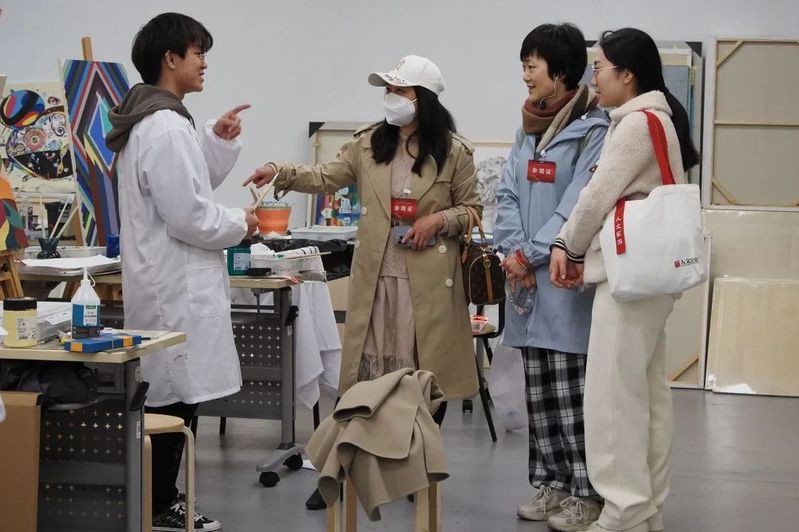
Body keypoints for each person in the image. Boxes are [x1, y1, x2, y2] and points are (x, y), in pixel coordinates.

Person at [244, 54, 481, 507]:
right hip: (375, 281)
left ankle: (411, 472)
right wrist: (280, 171)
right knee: (360, 383)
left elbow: (471, 210)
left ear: (423, 98)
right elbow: (324, 176)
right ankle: (339, 473)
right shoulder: (369, 143)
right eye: (388, 90)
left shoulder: (454, 152)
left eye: (400, 90)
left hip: (428, 286)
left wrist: (438, 221)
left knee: (421, 381)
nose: (391, 98)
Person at [106, 12, 258, 531]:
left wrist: (216, 139)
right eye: (198, 53)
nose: (204, 63)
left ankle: (159, 499)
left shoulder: (155, 120)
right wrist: (242, 222)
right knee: (174, 397)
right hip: (174, 286)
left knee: (173, 394)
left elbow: (188, 185)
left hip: (164, 281)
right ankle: (160, 505)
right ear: (170, 59)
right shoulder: (165, 126)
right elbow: (189, 215)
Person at [549, 28, 700, 532]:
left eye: (600, 68)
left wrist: (567, 246)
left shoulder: (635, 123)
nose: (594, 77)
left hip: (628, 279)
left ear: (627, 74)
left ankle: (623, 511)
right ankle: (645, 508)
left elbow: (596, 196)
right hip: (653, 279)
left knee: (611, 398)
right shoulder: (659, 118)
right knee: (646, 396)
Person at [494, 23, 608, 532]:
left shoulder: (594, 130)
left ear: (560, 72)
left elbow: (578, 205)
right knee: (538, 392)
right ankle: (550, 484)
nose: (525, 75)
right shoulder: (527, 128)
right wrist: (513, 251)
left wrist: (532, 254)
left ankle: (586, 492)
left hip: (562, 280)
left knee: (570, 394)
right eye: (523, 65)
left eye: (531, 65)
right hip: (524, 281)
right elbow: (507, 193)